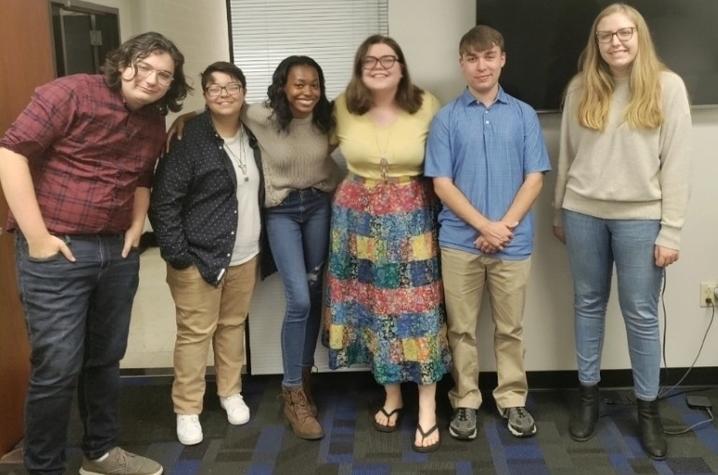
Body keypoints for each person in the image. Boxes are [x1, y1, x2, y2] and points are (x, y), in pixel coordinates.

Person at [0, 32, 190, 475]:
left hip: (115, 253)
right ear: (123, 62)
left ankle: (100, 454)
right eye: (144, 66)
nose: (153, 79)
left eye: (164, 75)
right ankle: (43, 466)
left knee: (105, 359)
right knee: (59, 365)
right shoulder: (70, 93)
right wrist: (38, 238)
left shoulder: (153, 119)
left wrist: (136, 226)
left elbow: (143, 177)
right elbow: (10, 154)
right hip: (58, 252)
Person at [168, 55, 340, 440]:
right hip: (281, 213)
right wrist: (188, 117)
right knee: (298, 299)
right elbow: (224, 104)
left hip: (318, 208)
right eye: (298, 83)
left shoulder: (330, 119)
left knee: (314, 292)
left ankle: (305, 377)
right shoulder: (261, 115)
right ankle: (292, 389)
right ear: (283, 86)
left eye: (314, 84)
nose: (307, 91)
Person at [553, 3, 691, 460]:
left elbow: (678, 165)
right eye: (606, 35)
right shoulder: (580, 88)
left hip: (641, 219)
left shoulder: (668, 87)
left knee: (641, 315)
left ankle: (647, 409)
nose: (616, 41)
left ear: (640, 35)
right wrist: (559, 210)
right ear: (596, 42)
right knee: (588, 305)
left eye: (624, 33)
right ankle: (588, 398)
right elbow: (568, 157)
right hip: (583, 214)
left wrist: (670, 232)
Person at [424, 25, 550, 441]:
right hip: (461, 243)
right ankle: (465, 401)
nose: (482, 65)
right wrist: (484, 227)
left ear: (502, 59)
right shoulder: (445, 120)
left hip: (512, 244)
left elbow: (534, 179)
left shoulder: (524, 115)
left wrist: (502, 228)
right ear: (462, 64)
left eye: (489, 56)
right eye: (473, 58)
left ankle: (512, 398)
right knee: (460, 329)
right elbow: (441, 184)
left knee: (510, 328)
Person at [326, 34, 451, 453]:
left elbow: (451, 156)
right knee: (374, 307)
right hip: (356, 219)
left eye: (388, 58)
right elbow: (300, 135)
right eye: (370, 60)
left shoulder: (427, 104)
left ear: (401, 66)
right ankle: (392, 392)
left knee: (418, 308)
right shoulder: (343, 105)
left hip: (411, 217)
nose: (379, 65)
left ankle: (428, 404)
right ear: (360, 67)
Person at [150, 62, 270, 445]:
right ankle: (187, 409)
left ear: (243, 91)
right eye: (214, 87)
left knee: (232, 327)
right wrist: (178, 255)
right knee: (195, 334)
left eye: (231, 85)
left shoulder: (254, 134)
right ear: (205, 94)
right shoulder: (190, 138)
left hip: (246, 254)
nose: (223, 93)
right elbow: (164, 201)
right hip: (199, 257)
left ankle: (230, 392)